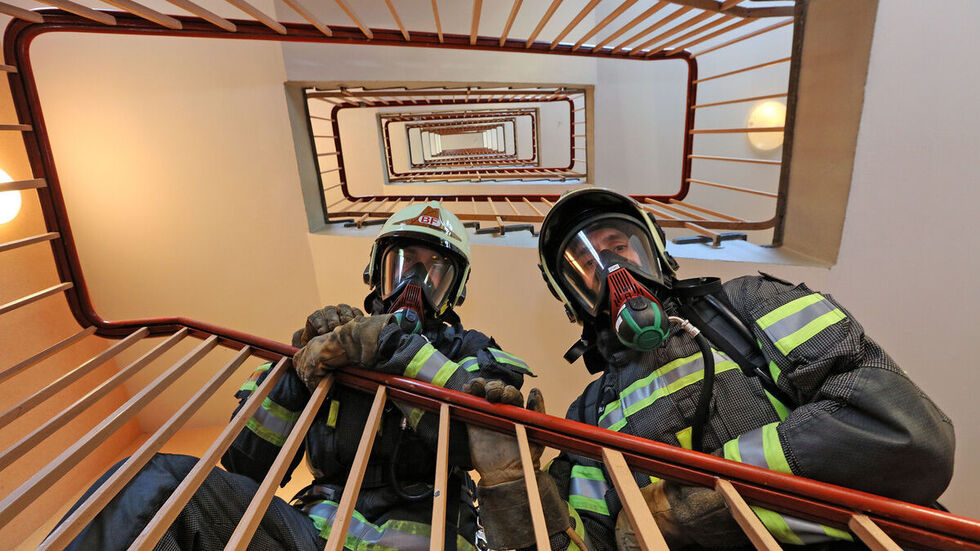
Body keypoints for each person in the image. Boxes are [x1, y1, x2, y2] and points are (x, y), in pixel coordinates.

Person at [464, 188, 955, 550]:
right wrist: (510, 483)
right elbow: (586, 543)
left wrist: (689, 503)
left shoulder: (746, 306)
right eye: (590, 266)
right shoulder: (588, 413)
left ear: (657, 254)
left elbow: (901, 431)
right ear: (575, 301)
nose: (612, 269)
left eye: (620, 246)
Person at [59, 201, 533, 550]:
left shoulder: (474, 351)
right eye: (403, 265)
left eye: (436, 274)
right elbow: (246, 462)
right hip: (308, 535)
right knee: (156, 483)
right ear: (375, 273)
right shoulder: (329, 345)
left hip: (431, 536)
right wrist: (298, 368)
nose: (415, 284)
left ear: (455, 293)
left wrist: (388, 345)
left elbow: (479, 433)